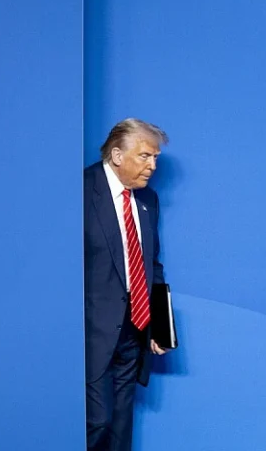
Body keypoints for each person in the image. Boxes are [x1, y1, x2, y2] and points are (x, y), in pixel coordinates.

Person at [84, 118, 172, 451]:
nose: (152, 166)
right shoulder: (80, 190)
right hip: (92, 333)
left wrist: (159, 324)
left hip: (134, 331)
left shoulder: (148, 199)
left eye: (155, 158)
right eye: (145, 156)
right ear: (118, 155)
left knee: (121, 428)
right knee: (98, 422)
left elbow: (151, 264)